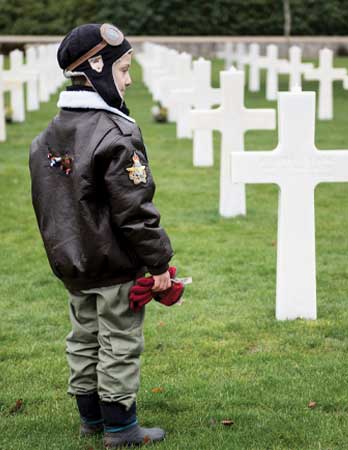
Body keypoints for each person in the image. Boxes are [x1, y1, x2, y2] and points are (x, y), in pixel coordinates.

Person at [29, 23, 174, 448]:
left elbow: (47, 206)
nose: (129, 79)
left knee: (84, 338)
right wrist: (159, 263)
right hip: (113, 264)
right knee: (119, 340)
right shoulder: (116, 133)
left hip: (72, 264)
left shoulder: (46, 137)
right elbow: (135, 210)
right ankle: (121, 427)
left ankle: (90, 418)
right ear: (96, 67)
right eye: (124, 68)